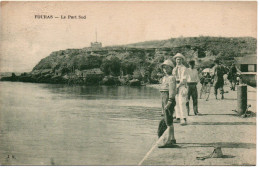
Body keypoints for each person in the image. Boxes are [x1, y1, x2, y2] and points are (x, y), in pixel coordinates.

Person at [158, 59, 177, 147]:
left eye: (167, 68)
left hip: (168, 99)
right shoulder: (164, 78)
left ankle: (168, 141)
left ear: (171, 68)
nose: (165, 69)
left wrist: (169, 102)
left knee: (168, 120)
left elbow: (172, 91)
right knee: (168, 119)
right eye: (164, 68)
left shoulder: (172, 78)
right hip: (163, 98)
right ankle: (172, 138)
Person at [172, 53, 188, 125]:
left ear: (182, 60)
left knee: (182, 102)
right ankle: (178, 117)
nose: (178, 61)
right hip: (175, 85)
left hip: (181, 86)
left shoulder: (184, 68)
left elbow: (183, 79)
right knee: (176, 102)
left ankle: (183, 118)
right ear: (175, 60)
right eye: (177, 59)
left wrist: (178, 86)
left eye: (180, 59)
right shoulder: (174, 69)